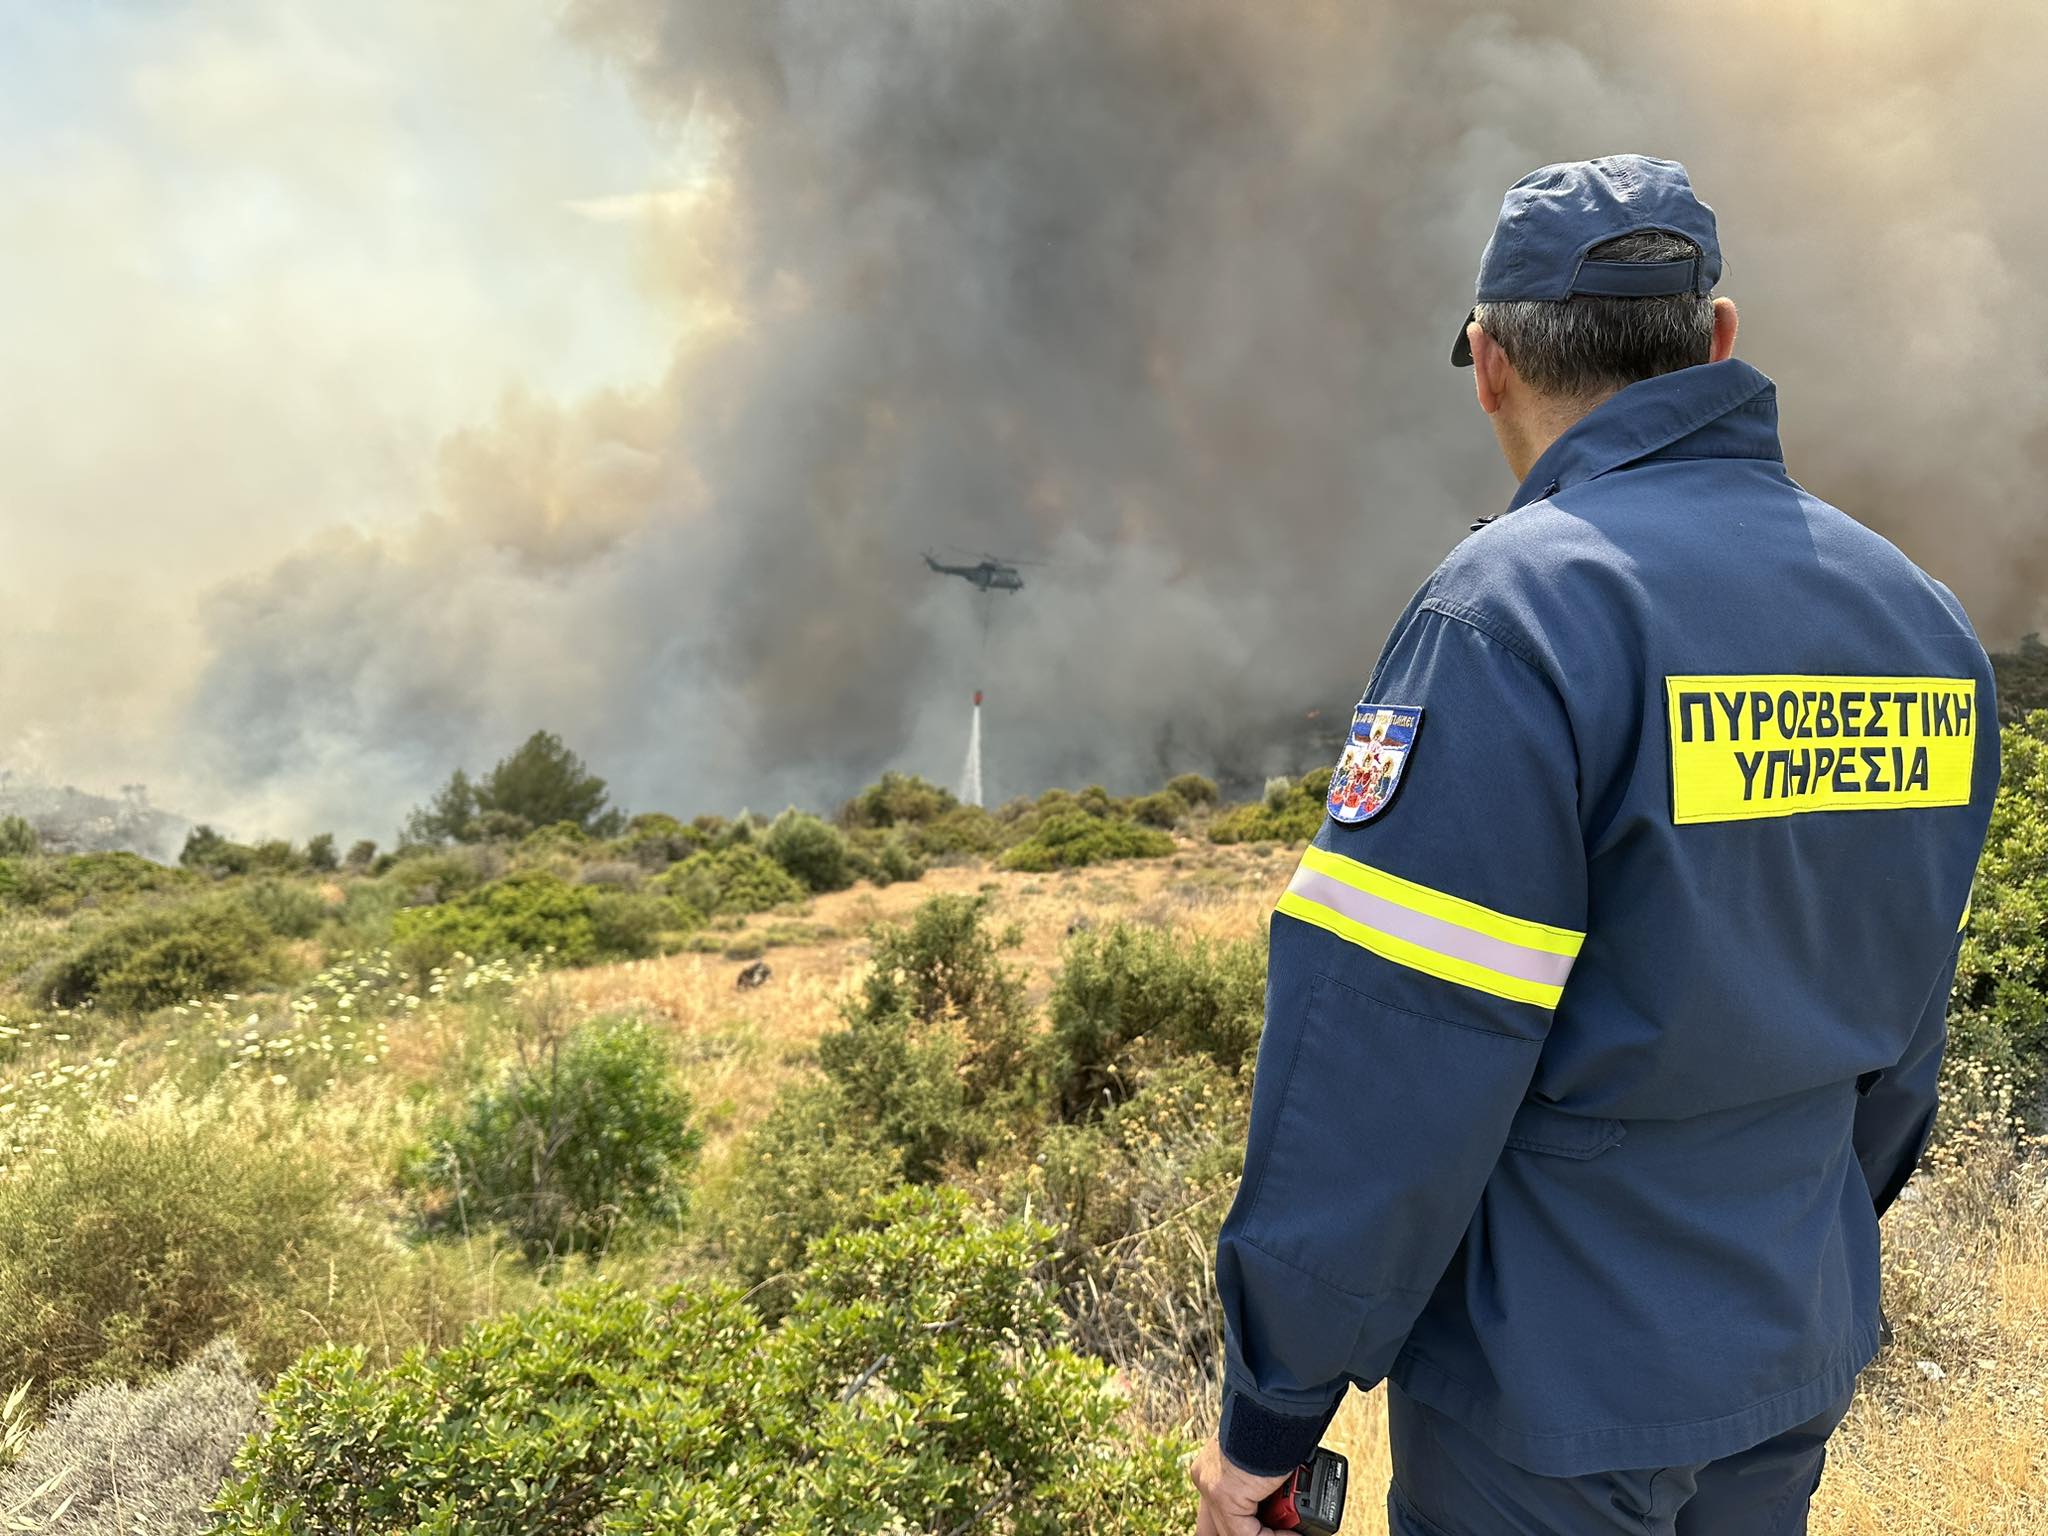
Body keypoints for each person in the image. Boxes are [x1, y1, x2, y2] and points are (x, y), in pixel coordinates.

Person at [1189, 155, 1999, 1536]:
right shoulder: (1920, 620)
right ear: (1721, 337)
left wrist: (1273, 1409)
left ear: (1491, 364)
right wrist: (1776, 1229)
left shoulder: (1512, 614)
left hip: (1549, 1391)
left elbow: (1391, 1052)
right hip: (1785, 1341)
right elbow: (1903, 1047)